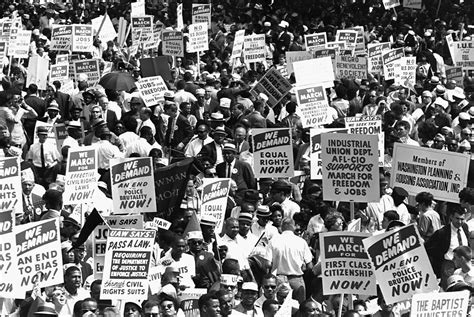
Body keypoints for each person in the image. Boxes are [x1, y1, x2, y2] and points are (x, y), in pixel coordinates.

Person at [425, 203, 470, 290]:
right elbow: (428, 248)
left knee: (463, 288)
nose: (459, 222)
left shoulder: (465, 227)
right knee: (449, 289)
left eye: (462, 219)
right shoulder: (442, 233)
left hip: (463, 265)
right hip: (449, 266)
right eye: (457, 218)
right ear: (451, 217)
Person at [269, 218, 313, 303]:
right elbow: (310, 266)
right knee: (299, 310)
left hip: (279, 279)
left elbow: (267, 263)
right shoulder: (301, 242)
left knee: (279, 309)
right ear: (293, 227)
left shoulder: (273, 240)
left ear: (282, 227)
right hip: (296, 280)